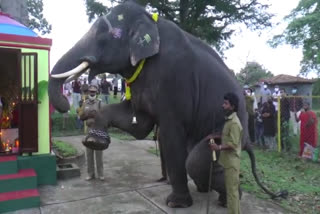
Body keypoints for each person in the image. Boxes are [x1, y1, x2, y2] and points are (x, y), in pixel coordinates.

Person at [209, 92, 242, 214]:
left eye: (226, 103)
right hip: (228, 162)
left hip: (232, 163)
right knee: (231, 193)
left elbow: (233, 144)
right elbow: (228, 137)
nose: (223, 106)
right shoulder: (229, 121)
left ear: (232, 107)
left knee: (232, 194)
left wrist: (218, 147)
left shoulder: (234, 123)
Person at [79, 85, 104, 181]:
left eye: (94, 92)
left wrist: (95, 116)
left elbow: (104, 117)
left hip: (98, 132)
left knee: (99, 154)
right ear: (88, 92)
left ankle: (100, 174)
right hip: (89, 132)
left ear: (96, 92)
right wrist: (86, 114)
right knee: (89, 154)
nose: (92, 93)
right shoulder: (85, 103)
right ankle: (90, 174)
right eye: (90, 92)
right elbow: (81, 117)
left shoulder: (100, 103)